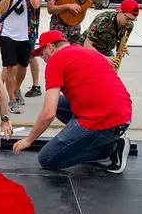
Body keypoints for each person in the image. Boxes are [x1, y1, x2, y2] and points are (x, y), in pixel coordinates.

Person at [12, 30, 133, 174]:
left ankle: (111, 148)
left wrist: (28, 140)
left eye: (42, 53)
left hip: (104, 121)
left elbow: (48, 113)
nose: (42, 58)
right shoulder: (88, 52)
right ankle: (93, 138)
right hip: (124, 115)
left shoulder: (55, 61)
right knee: (61, 104)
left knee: (47, 159)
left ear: (50, 47)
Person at [0, 0, 43, 114]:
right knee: (10, 67)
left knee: (22, 67)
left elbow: (36, 5)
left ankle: (16, 90)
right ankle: (11, 98)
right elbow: (3, 9)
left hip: (26, 35)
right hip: (7, 34)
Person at [80, 0, 139, 68]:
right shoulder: (103, 19)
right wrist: (104, 58)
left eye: (133, 20)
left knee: (111, 72)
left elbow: (120, 44)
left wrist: (122, 47)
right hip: (87, 49)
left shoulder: (129, 25)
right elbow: (87, 44)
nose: (129, 22)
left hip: (105, 50)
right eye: (128, 18)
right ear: (120, 12)